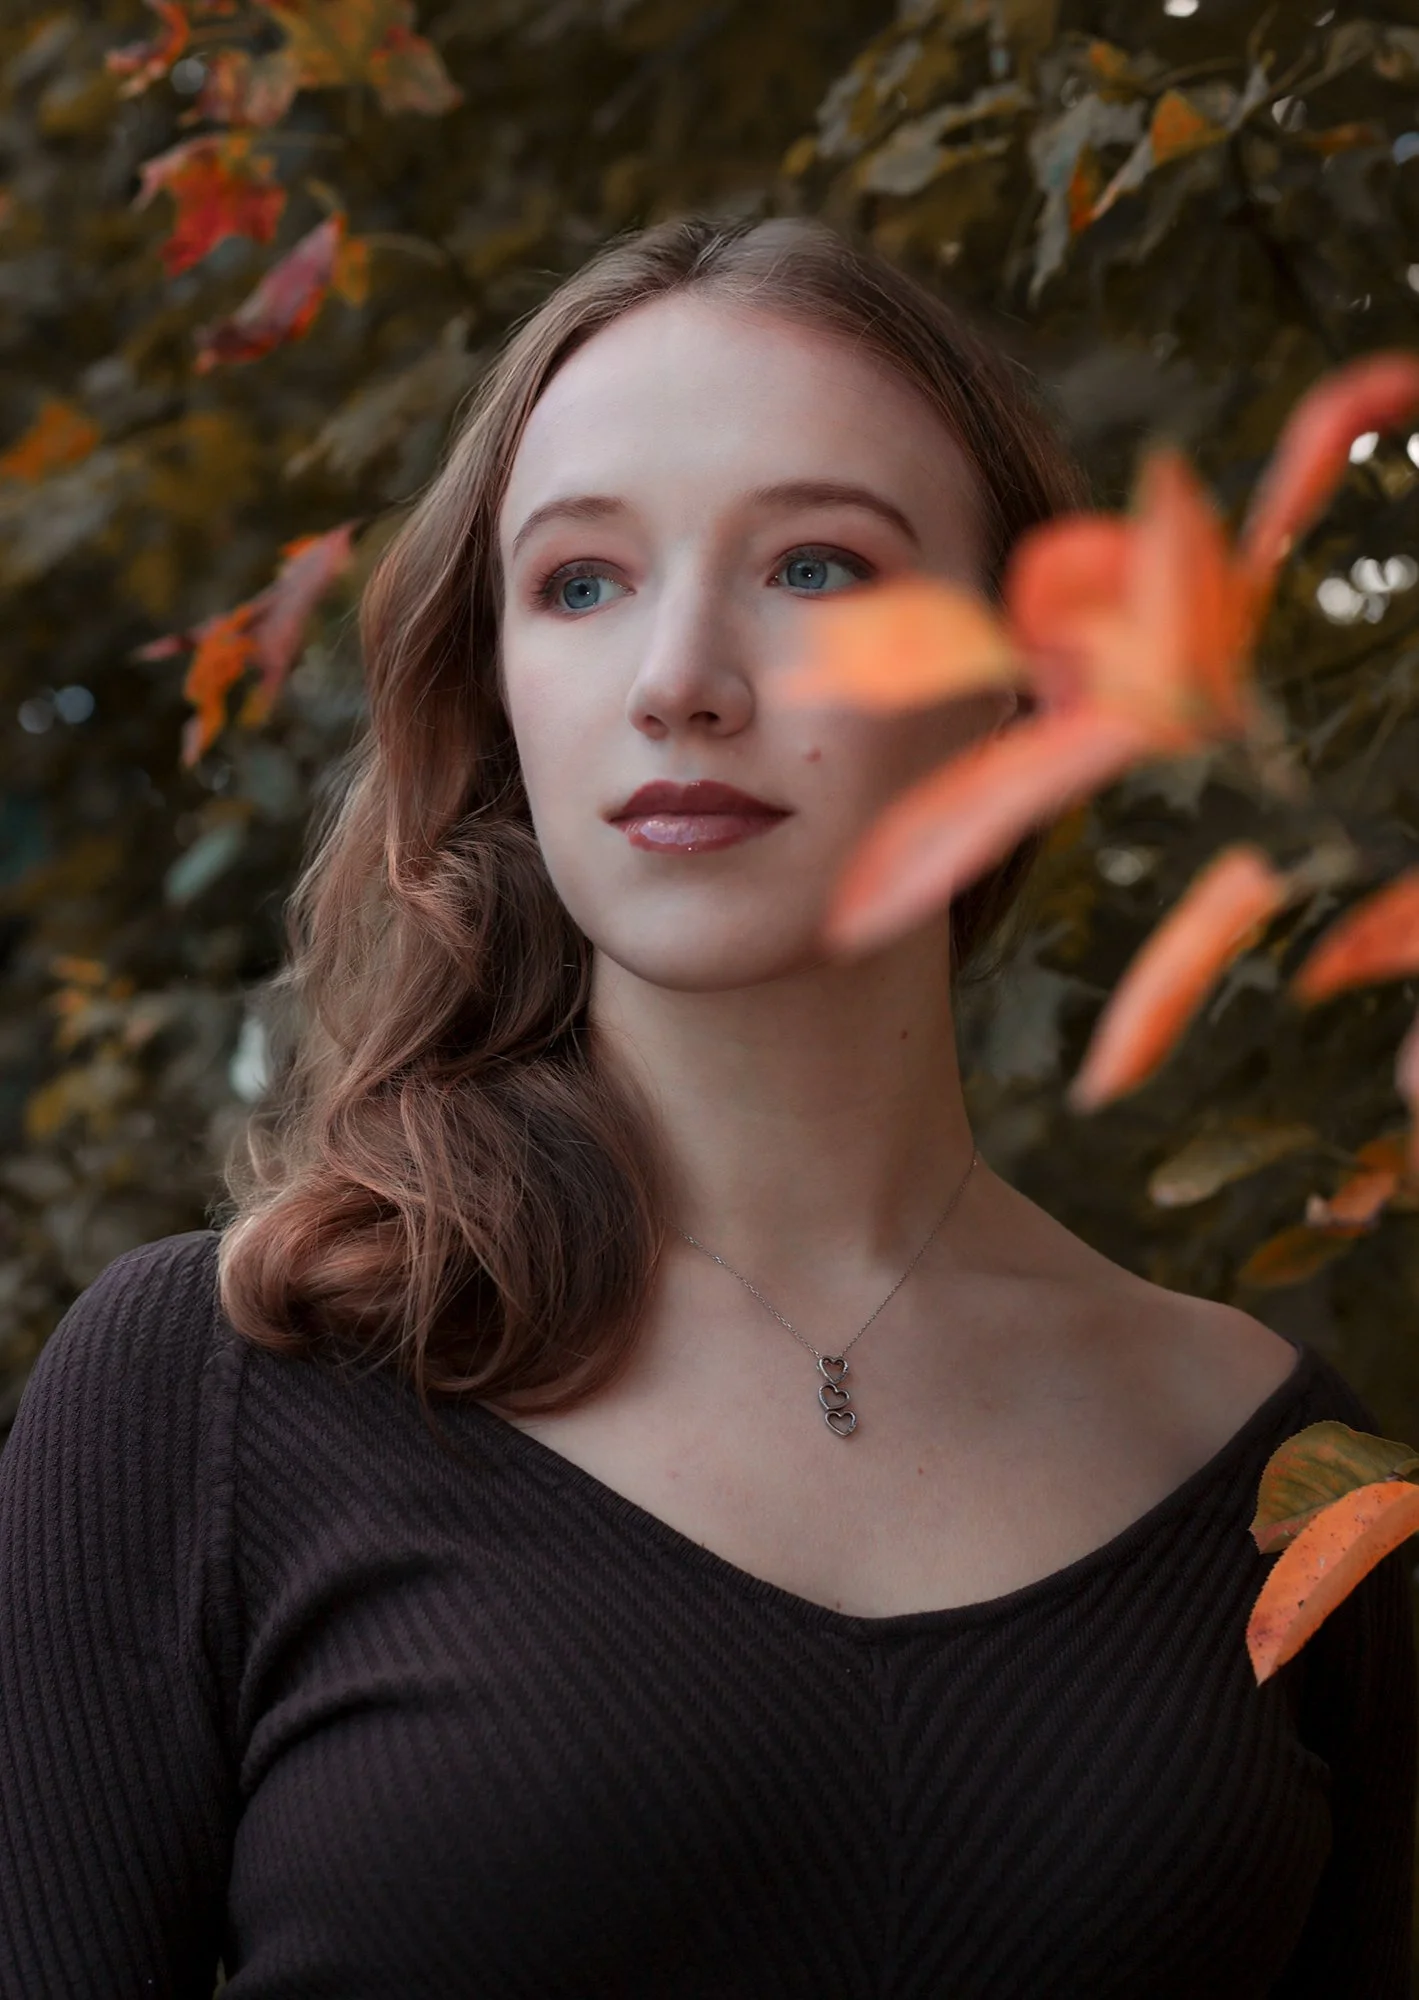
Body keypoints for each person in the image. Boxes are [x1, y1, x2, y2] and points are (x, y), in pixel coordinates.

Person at [0, 212, 1413, 1999]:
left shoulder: (1288, 1479)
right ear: (501, 694)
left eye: (815, 566)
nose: (677, 677)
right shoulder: (209, 1402)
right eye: (579, 583)